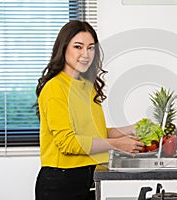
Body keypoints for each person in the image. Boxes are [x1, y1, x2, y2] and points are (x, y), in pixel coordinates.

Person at [34, 20, 145, 200]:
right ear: (63, 48)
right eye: (78, 47)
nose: (85, 54)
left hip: (88, 177)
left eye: (91, 48)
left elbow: (94, 134)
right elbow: (68, 142)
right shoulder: (55, 87)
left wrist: (131, 129)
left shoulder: (87, 86)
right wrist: (117, 144)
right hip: (61, 181)